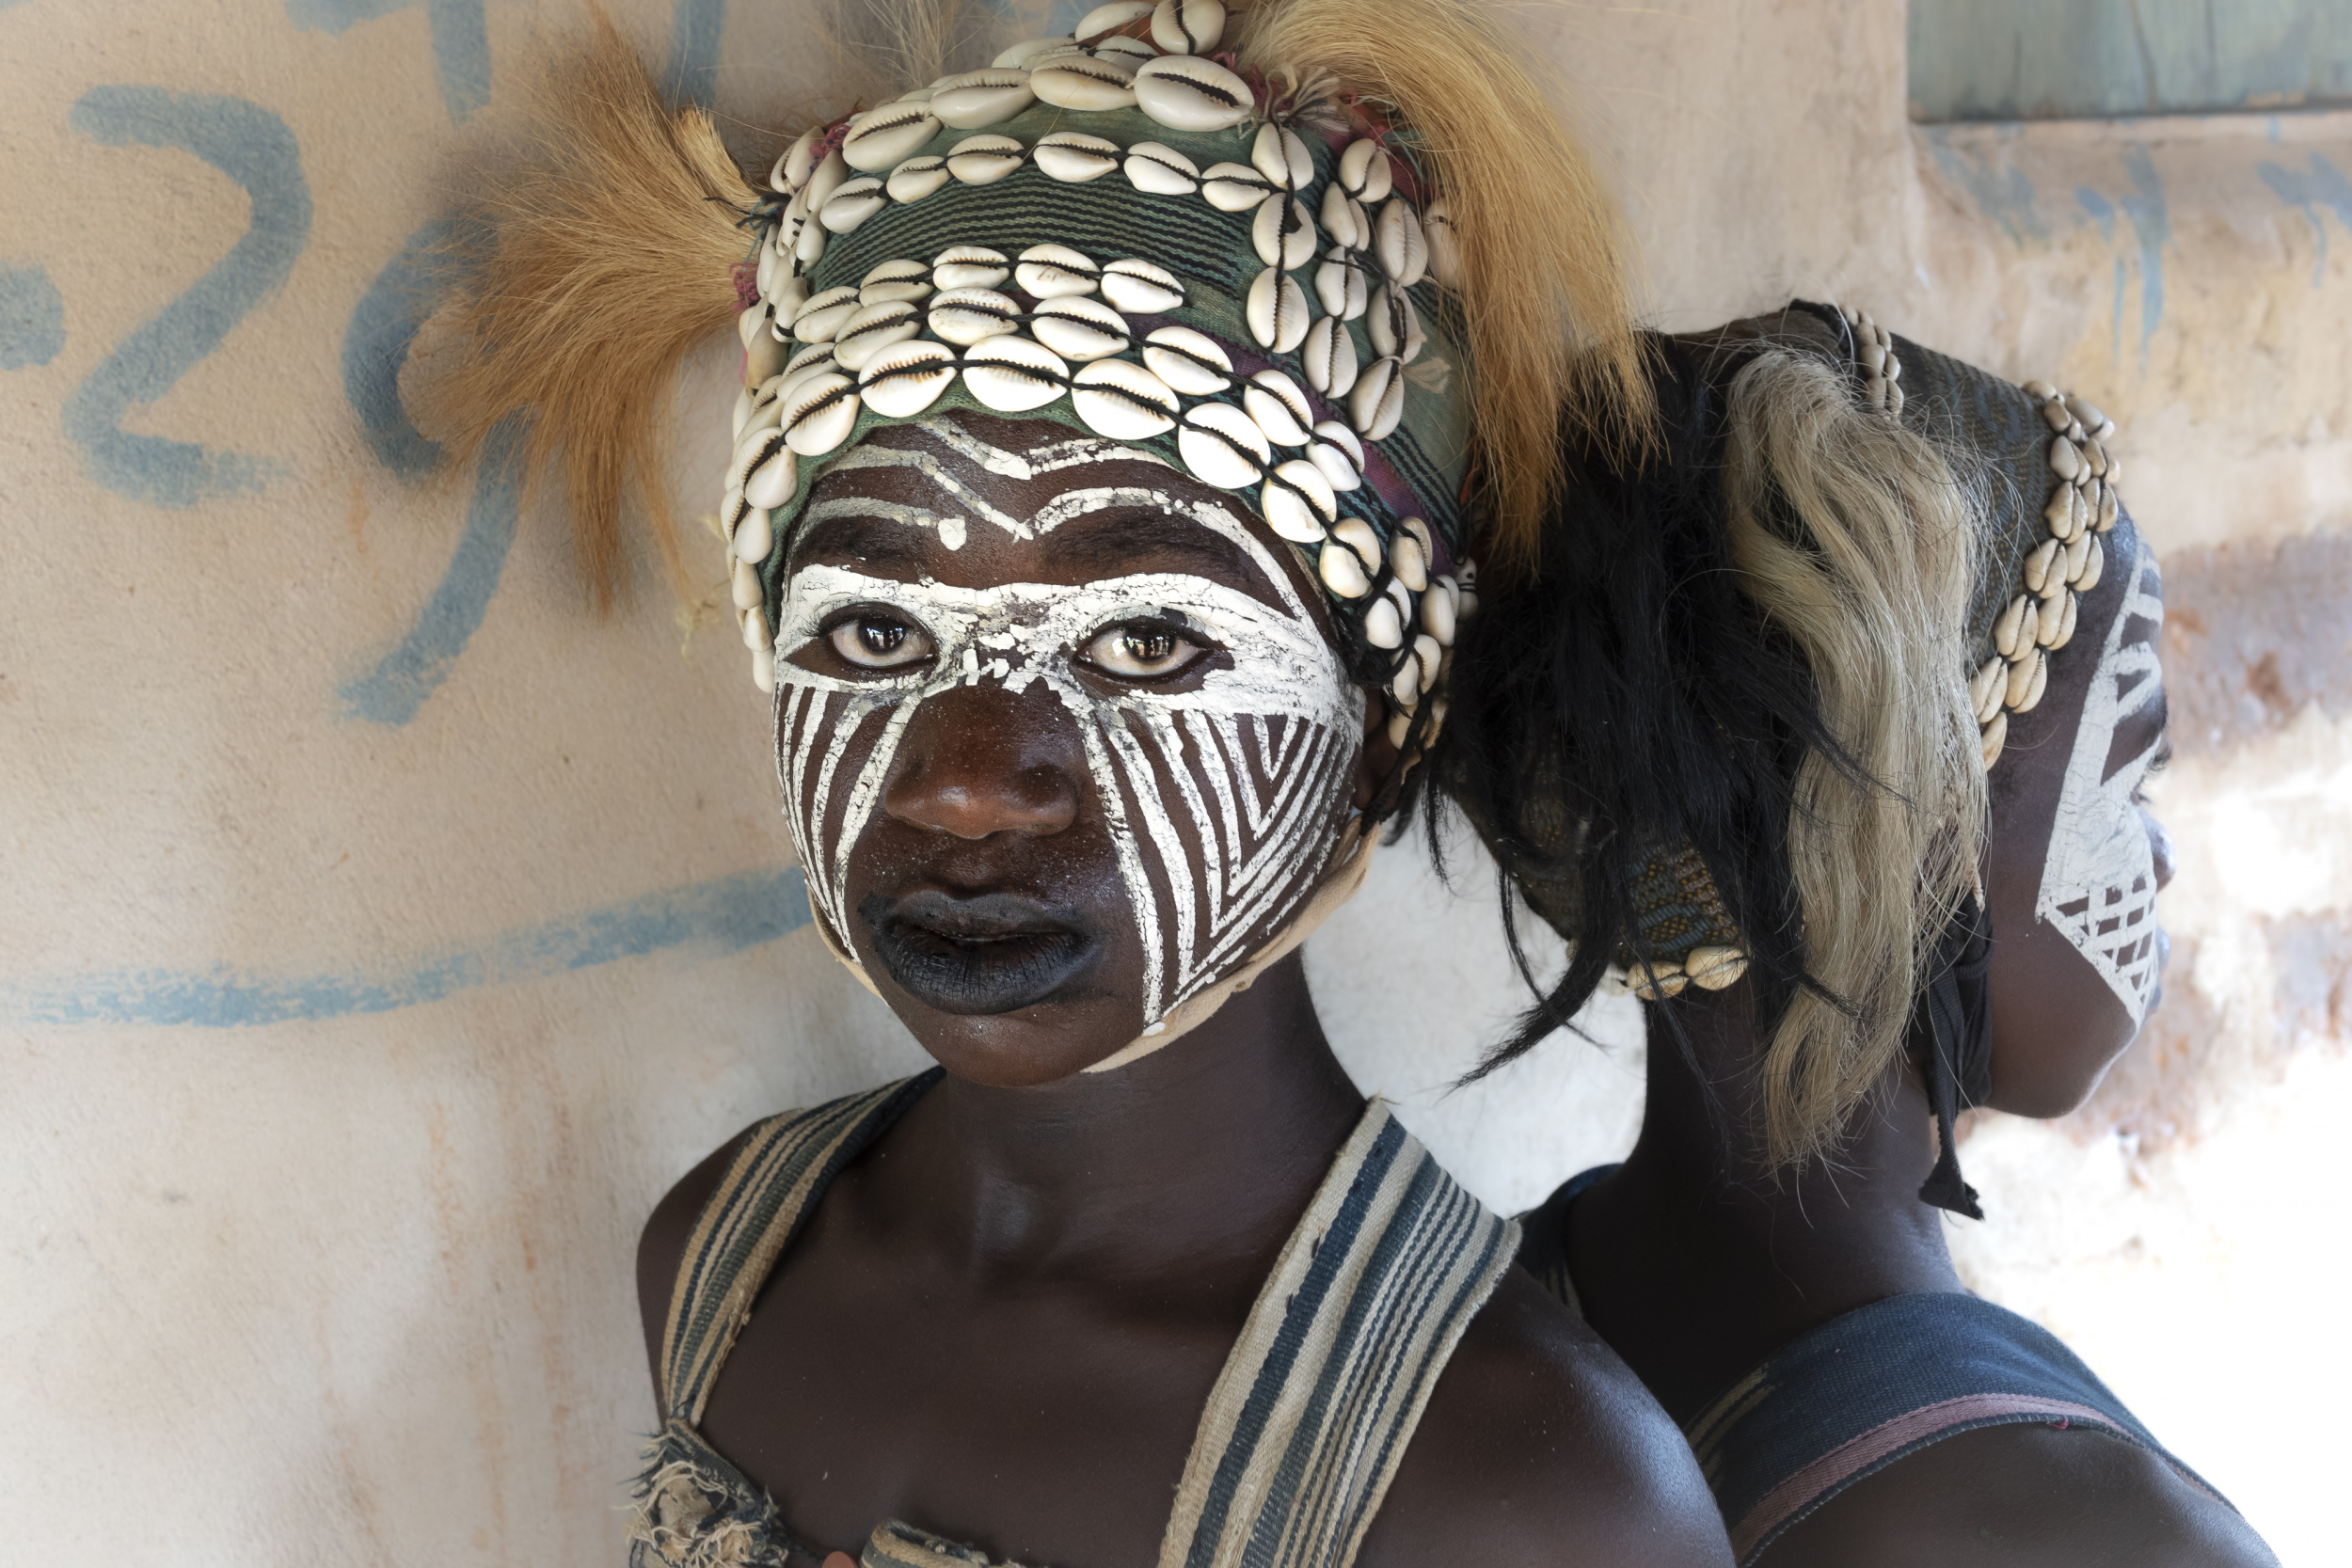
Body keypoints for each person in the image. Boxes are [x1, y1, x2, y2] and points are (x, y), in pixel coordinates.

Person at [422, 3, 1732, 1563]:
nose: (972, 786)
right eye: (876, 630)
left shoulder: (1529, 1498)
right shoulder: (723, 1255)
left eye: (1148, 642)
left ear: (1381, 723)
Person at [1452, 308, 2279, 1563]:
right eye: (2133, 775)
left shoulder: (1473, 1345)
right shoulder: (2104, 1536)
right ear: (1915, 836)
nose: (2159, 857)